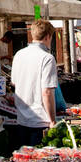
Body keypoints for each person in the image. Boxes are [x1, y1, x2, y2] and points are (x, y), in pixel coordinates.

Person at [10, 19, 59, 147]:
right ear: (48, 36)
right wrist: (53, 120)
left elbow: (14, 83)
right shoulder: (47, 58)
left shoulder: (18, 55)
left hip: (21, 120)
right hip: (40, 122)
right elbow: (47, 92)